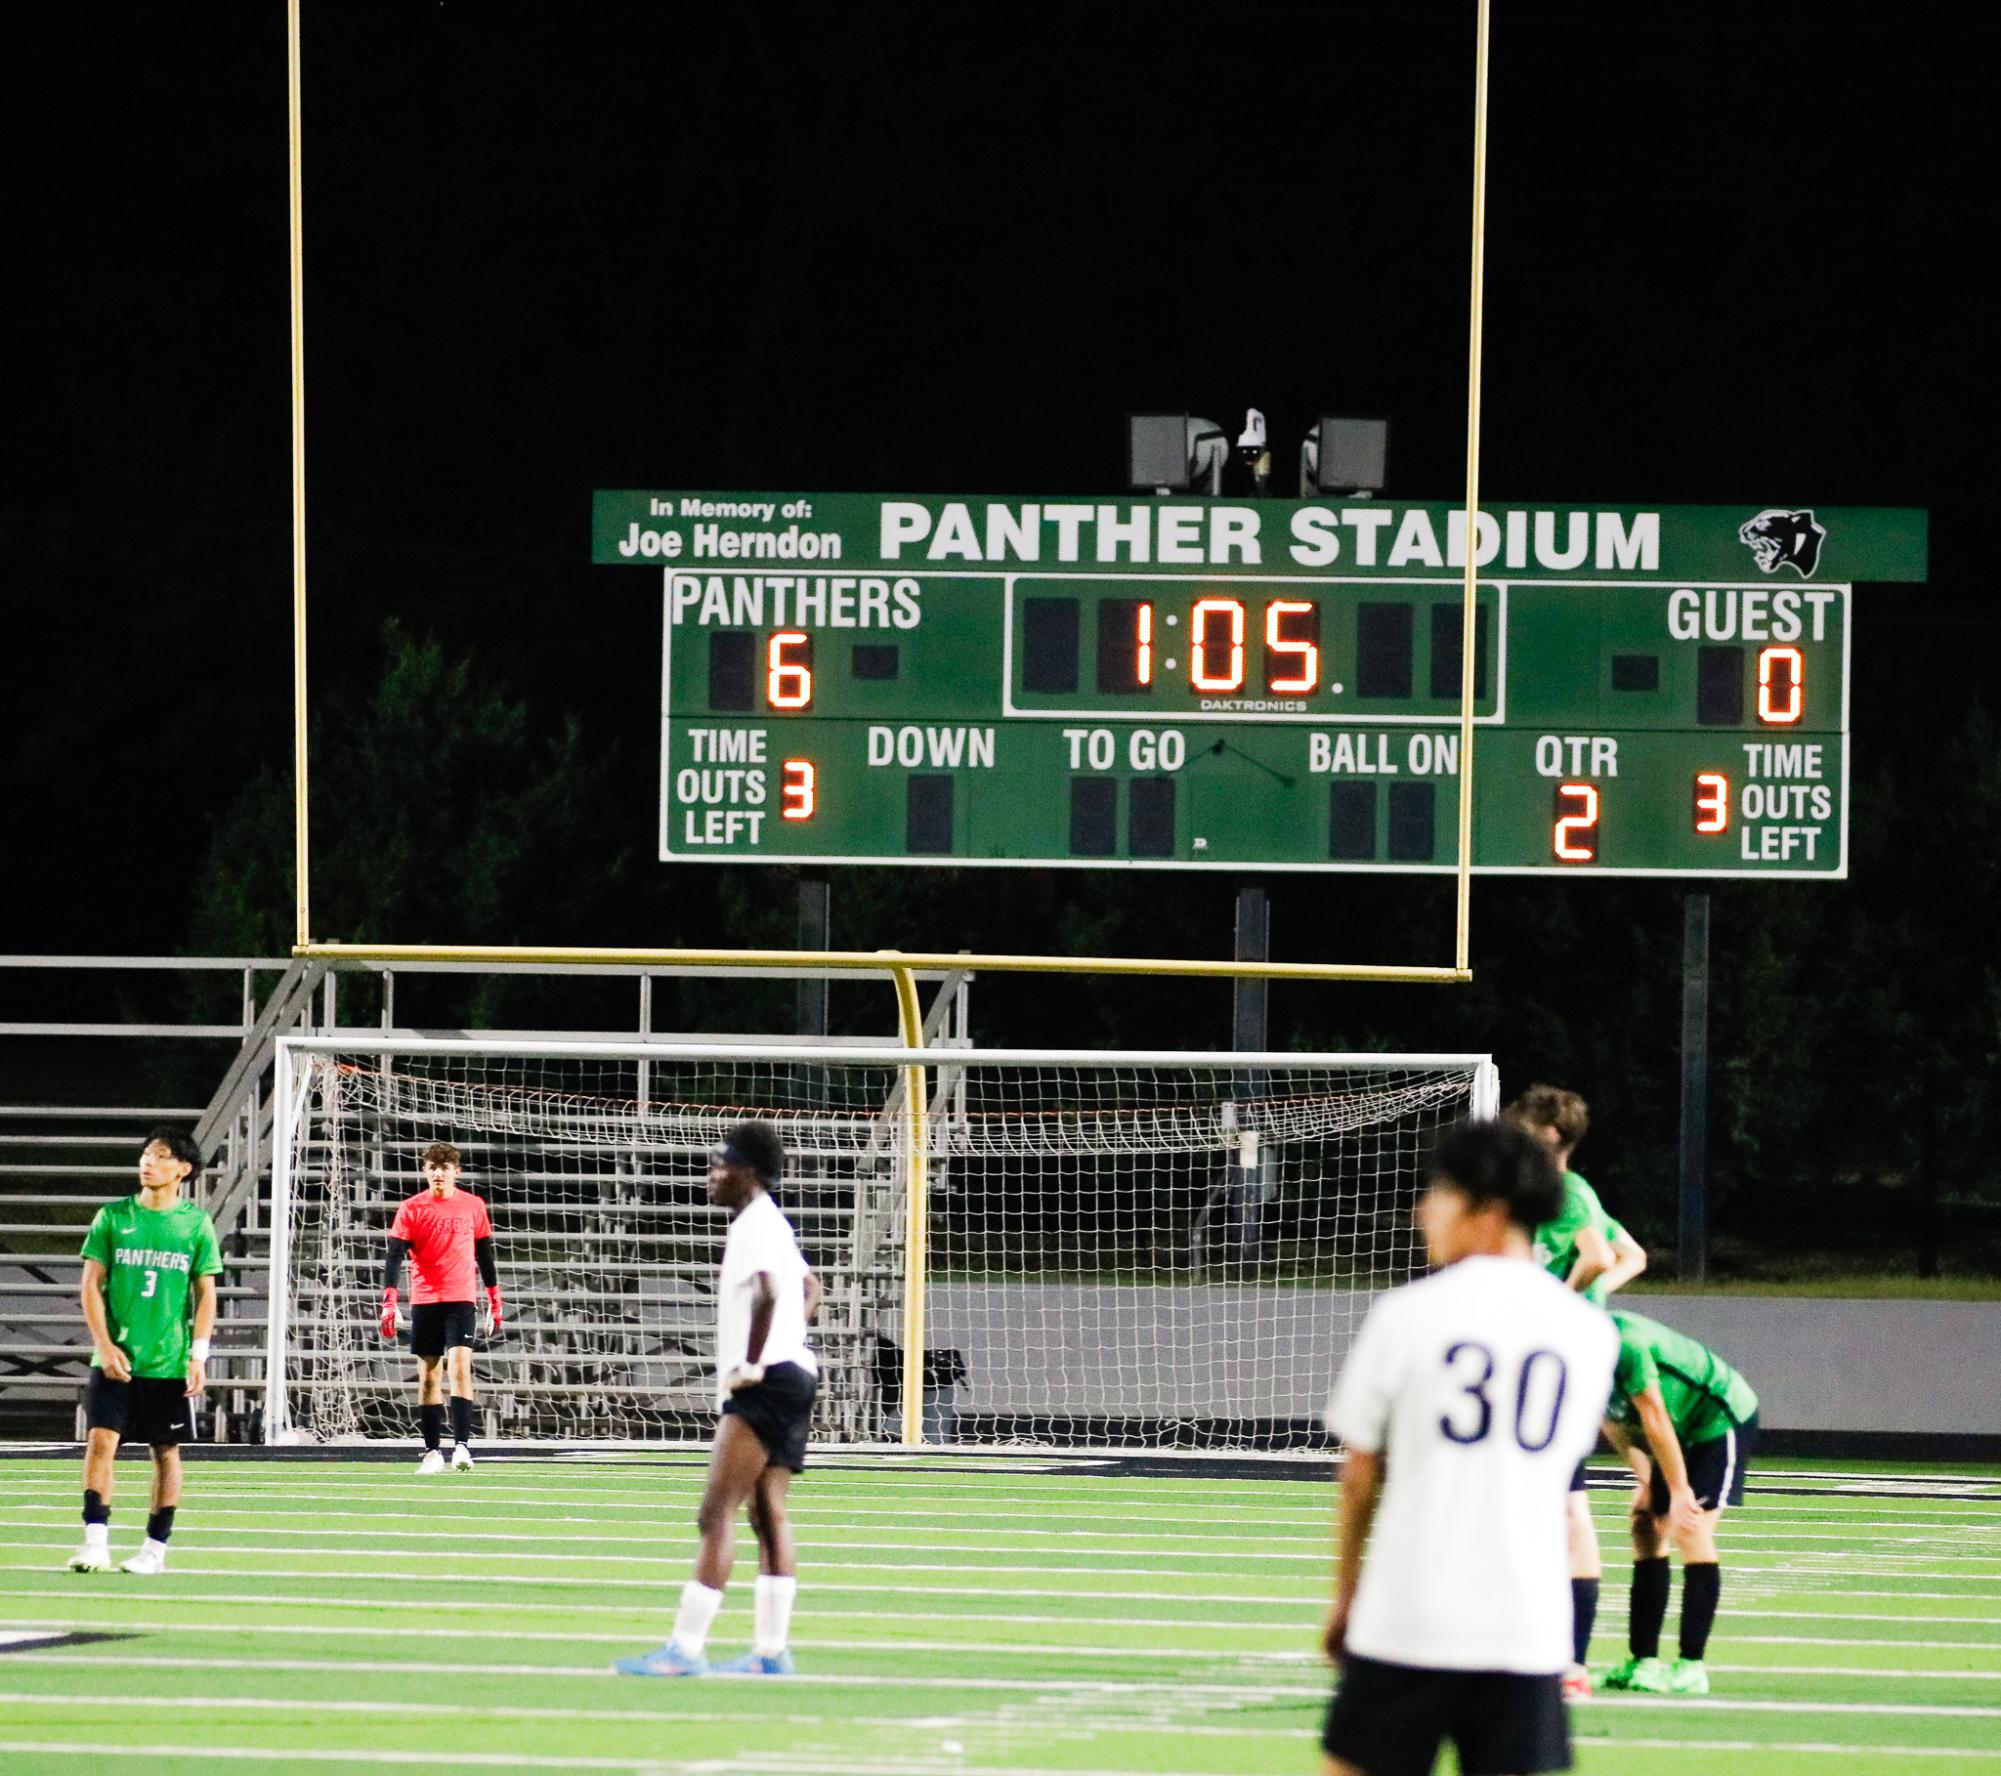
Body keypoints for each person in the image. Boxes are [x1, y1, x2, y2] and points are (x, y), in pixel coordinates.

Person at [1320, 1120, 1618, 1776]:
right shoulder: (1587, 1334)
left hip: (1409, 1612)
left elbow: (1359, 1475)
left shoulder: (1407, 1313)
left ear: (1488, 1208)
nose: (1421, 1209)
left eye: (1439, 1193)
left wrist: (1345, 1594)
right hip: (1526, 1624)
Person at [616, 1120, 822, 1678]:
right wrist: (789, 1340)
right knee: (767, 1513)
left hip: (765, 1381)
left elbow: (769, 1291)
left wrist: (755, 1360)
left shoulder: (754, 1222)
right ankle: (771, 1652)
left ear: (747, 1172)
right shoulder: (773, 1221)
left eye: (720, 1164)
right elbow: (810, 1288)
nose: (712, 1174)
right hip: (795, 1374)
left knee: (715, 1512)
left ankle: (684, 1649)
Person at [1506, 1084, 1649, 1699]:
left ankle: (1569, 1662)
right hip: (1551, 1355)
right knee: (1543, 1503)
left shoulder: (1564, 1191)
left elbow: (1594, 1255)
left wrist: (1562, 1300)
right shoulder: (1558, 1194)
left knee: (1565, 1508)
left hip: (1555, 1360)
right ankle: (1549, 1655)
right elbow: (1632, 1255)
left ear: (1550, 1137)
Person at [69, 1127, 222, 1576]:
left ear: (182, 1169)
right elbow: (90, 1285)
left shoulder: (195, 1224)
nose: (147, 1162)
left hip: (168, 1359)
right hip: (115, 1357)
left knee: (166, 1450)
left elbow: (206, 1293)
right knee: (100, 1442)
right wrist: (103, 1344)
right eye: (146, 1154)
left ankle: (154, 1549)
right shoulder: (113, 1217)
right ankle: (95, 1542)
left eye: (159, 1156)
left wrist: (198, 1355)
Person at [1598, 1309, 1759, 1697]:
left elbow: (1653, 1415)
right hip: (1676, 1426)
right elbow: (1612, 1419)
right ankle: (1645, 1662)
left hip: (1717, 1418)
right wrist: (1644, 1476)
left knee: (1690, 1525)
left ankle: (1691, 1666)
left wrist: (1680, 1489)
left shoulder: (1626, 1344)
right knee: (1644, 1523)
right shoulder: (1570, 1350)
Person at [379, 1141, 501, 1473]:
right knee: (430, 1376)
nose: (438, 1173)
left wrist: (495, 1299)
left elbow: (485, 1255)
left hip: (461, 1298)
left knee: (460, 1368)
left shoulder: (473, 1206)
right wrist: (389, 1301)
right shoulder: (411, 1208)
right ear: (425, 1170)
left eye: (444, 1168)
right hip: (425, 1299)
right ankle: (432, 1452)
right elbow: (393, 1257)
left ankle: (462, 1446)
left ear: (455, 1173)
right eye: (432, 1167)